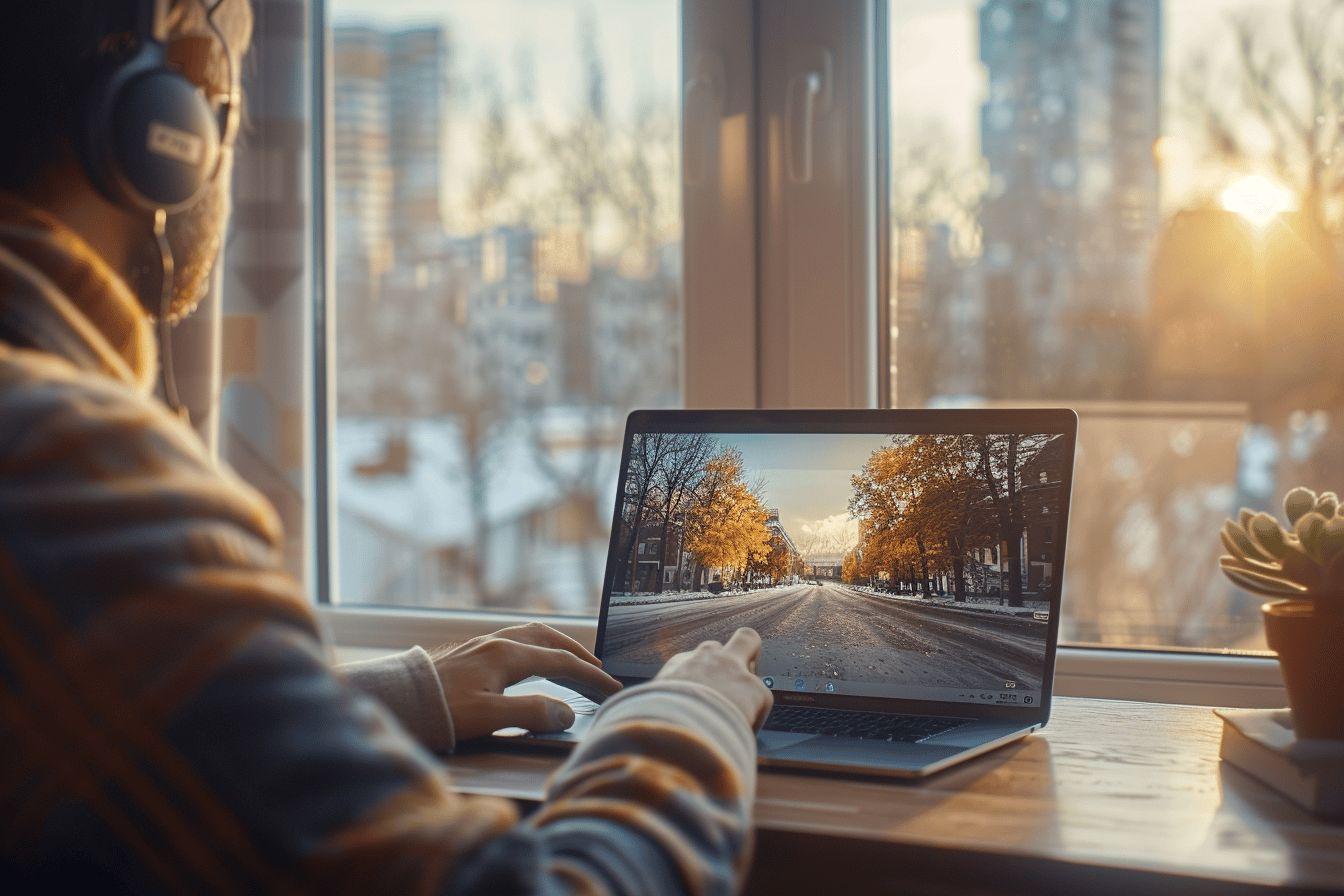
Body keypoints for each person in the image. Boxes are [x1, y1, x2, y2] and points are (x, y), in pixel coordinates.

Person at [0, 1, 772, 891]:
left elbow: (131, 729)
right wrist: (692, 709)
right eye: (230, 80)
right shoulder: (69, 480)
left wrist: (402, 700)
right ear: (167, 116)